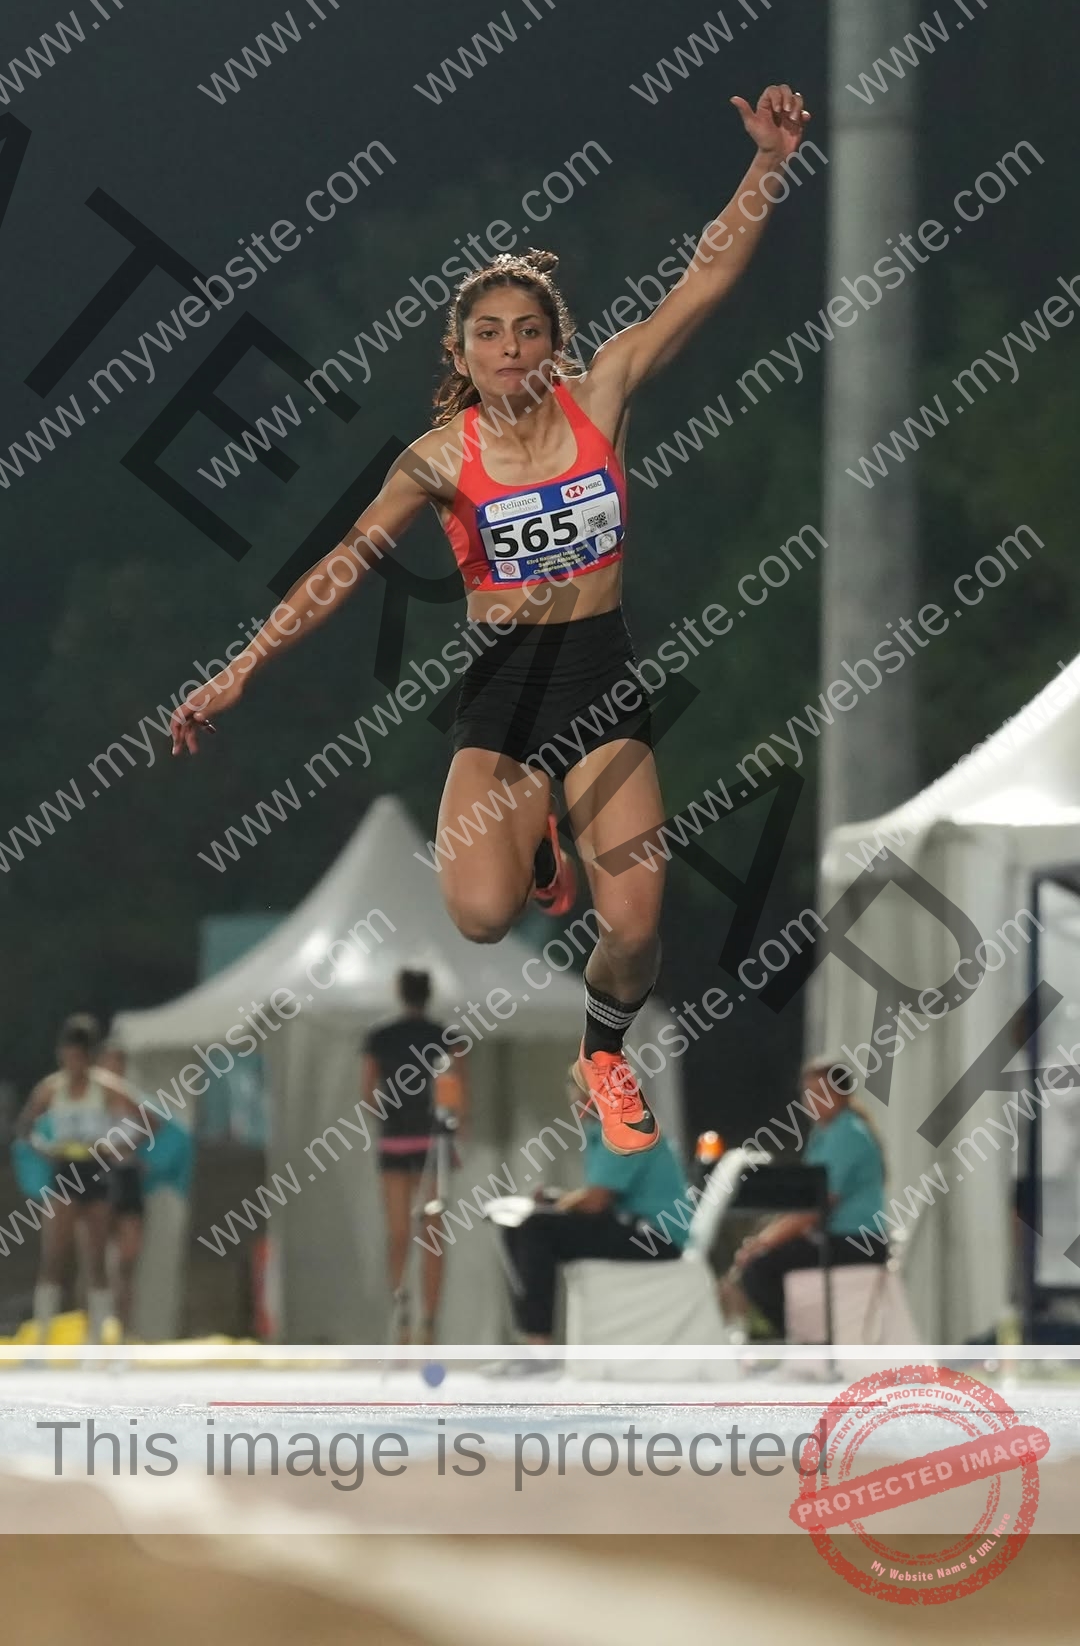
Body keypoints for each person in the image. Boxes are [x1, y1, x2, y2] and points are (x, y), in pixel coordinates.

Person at [171, 85, 811, 1156]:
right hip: (506, 692)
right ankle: (536, 836)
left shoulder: (602, 396)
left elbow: (704, 277)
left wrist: (768, 164)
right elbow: (342, 565)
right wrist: (243, 667)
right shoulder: (438, 459)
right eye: (488, 334)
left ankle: (602, 1052)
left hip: (600, 677)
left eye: (527, 331)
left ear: (555, 346)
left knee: (636, 929)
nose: (510, 348)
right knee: (478, 915)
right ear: (460, 355)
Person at [502, 1072, 688, 1344]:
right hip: (631, 1224)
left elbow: (595, 1202)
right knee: (519, 1227)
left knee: (535, 1228)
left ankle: (539, 1345)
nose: (577, 1098)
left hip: (657, 1237)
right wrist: (557, 1201)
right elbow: (599, 1196)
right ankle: (530, 1337)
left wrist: (558, 1204)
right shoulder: (602, 1131)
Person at [736, 1058, 888, 1340]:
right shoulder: (824, 1134)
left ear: (841, 1094)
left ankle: (807, 1340)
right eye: (808, 1093)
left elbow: (815, 1207)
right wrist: (766, 1236)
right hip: (836, 1238)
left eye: (821, 1092)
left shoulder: (848, 1134)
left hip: (858, 1242)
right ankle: (805, 1338)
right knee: (763, 1261)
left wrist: (763, 1242)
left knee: (760, 1270)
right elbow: (802, 1200)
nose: (812, 1101)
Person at [15, 1015, 143, 1343]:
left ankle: (97, 1339)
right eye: (69, 1057)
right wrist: (43, 1147)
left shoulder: (105, 1087)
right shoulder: (51, 1088)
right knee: (54, 1256)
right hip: (64, 1169)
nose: (74, 1065)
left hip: (96, 1168)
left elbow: (145, 1121)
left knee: (96, 1258)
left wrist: (114, 1145)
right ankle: (42, 1338)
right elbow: (25, 1125)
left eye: (80, 1058)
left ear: (89, 1057)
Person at [361, 967, 468, 1342]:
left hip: (394, 1141)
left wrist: (390, 1116)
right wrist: (455, 1133)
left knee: (398, 1233)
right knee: (432, 1235)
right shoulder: (445, 1036)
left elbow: (367, 1093)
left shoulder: (379, 1037)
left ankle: (402, 1314)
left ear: (399, 992)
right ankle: (429, 1321)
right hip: (432, 1143)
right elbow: (457, 1092)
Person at [101, 1046, 145, 1337]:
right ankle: (97, 1328)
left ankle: (124, 1332)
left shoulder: (131, 1099)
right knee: (98, 1260)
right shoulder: (93, 1100)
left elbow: (150, 1127)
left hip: (127, 1177)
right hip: (97, 1178)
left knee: (127, 1262)